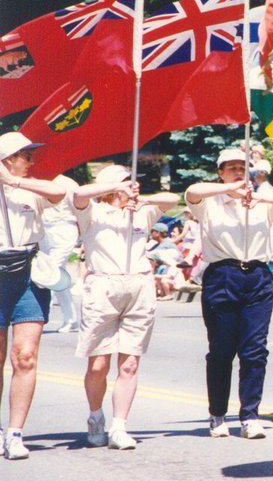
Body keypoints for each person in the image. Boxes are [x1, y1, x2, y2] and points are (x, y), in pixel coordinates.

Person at [186, 147, 273, 439]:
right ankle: (217, 413)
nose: (237, 172)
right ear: (220, 172)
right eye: (230, 167)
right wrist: (230, 189)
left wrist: (257, 196)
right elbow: (192, 191)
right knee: (222, 349)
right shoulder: (210, 203)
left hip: (257, 275)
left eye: (241, 168)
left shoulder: (262, 200)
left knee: (255, 350)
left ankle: (249, 414)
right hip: (223, 274)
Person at [72, 165, 178, 450]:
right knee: (98, 364)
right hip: (103, 286)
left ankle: (120, 426)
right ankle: (96, 417)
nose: (133, 185)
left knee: (129, 363)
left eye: (133, 180)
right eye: (125, 182)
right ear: (109, 186)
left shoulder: (142, 211)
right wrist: (113, 189)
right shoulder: (92, 211)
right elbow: (79, 194)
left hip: (139, 285)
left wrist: (145, 200)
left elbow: (174, 201)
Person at [0, 133, 66, 460]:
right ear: (8, 157)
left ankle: (15, 432)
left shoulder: (33, 187)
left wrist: (15, 182)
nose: (31, 161)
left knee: (24, 355)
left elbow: (59, 191)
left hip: (28, 271)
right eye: (25, 155)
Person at [39, 174, 80, 333]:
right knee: (56, 277)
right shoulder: (38, 181)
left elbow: (80, 207)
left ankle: (41, 314)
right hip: (43, 228)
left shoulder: (67, 183)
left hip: (64, 226)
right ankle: (71, 319)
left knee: (50, 272)